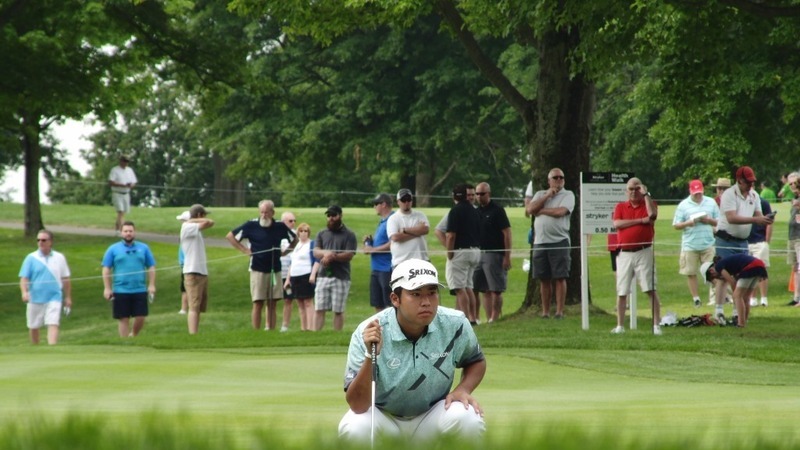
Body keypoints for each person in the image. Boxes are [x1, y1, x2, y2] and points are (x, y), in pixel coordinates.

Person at [338, 259, 486, 443]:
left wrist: (463, 389)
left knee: (468, 416)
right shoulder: (367, 332)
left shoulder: (454, 324)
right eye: (416, 294)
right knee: (354, 426)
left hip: (432, 415)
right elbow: (358, 405)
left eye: (432, 293)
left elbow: (476, 360)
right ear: (395, 299)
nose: (426, 302)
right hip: (384, 418)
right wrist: (371, 355)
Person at [714, 166, 773, 323]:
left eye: (753, 182)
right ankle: (718, 310)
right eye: (748, 182)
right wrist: (755, 220)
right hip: (725, 239)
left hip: (742, 241)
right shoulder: (729, 194)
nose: (751, 186)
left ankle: (736, 313)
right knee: (723, 274)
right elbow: (732, 218)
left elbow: (758, 215)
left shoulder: (754, 195)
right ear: (739, 180)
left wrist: (766, 219)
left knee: (740, 276)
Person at [226, 200, 297, 331]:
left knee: (273, 302)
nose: (264, 215)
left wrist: (285, 252)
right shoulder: (251, 225)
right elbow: (231, 236)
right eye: (262, 212)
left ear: (272, 213)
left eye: (266, 212)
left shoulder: (280, 226)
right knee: (258, 302)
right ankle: (256, 331)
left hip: (275, 268)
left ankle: (270, 329)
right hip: (257, 268)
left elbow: (294, 240)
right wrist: (245, 250)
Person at [611, 177, 662, 335]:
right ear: (626, 191)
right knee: (622, 291)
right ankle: (620, 326)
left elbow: (652, 216)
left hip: (643, 251)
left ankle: (656, 325)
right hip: (625, 253)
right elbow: (617, 223)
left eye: (636, 189)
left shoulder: (648, 203)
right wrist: (640, 220)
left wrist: (646, 195)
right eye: (631, 189)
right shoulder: (620, 206)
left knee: (649, 288)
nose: (633, 192)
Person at [526, 168, 575, 319]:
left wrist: (542, 211)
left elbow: (561, 212)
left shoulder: (568, 195)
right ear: (549, 181)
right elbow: (530, 209)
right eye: (555, 177)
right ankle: (545, 311)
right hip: (540, 242)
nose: (559, 179)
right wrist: (547, 196)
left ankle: (559, 311)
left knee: (560, 277)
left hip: (559, 241)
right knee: (544, 278)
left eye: (561, 177)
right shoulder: (540, 194)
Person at [102, 221, 156, 338]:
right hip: (121, 290)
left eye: (130, 231)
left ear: (134, 232)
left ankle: (134, 335)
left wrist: (151, 285)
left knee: (141, 316)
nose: (128, 233)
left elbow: (151, 267)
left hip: (139, 289)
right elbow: (106, 269)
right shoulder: (113, 249)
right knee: (123, 318)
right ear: (121, 233)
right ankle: (125, 342)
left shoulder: (144, 248)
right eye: (125, 231)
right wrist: (107, 288)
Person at [19, 230, 71, 345]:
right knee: (33, 325)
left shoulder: (59, 257)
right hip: (35, 297)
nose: (40, 242)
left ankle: (52, 348)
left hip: (54, 296)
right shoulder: (31, 258)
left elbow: (65, 278)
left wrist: (68, 297)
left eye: (43, 240)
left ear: (50, 242)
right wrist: (24, 292)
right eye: (38, 240)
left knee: (53, 322)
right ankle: (35, 348)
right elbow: (24, 278)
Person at [672, 179, 719, 307]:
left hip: (708, 243)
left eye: (700, 193)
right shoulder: (683, 205)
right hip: (690, 244)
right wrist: (688, 223)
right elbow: (676, 225)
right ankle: (696, 298)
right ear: (690, 192)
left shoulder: (711, 202)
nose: (698, 196)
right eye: (695, 193)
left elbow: (719, 221)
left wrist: (708, 220)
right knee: (690, 272)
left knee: (712, 271)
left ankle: (718, 297)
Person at [313, 205, 357, 331]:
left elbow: (349, 254)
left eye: (334, 215)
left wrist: (333, 256)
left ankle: (337, 334)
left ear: (340, 216)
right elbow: (316, 251)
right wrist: (327, 254)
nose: (331, 218)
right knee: (319, 308)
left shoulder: (349, 235)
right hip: (322, 276)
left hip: (341, 277)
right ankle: (316, 335)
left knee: (338, 310)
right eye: (329, 216)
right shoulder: (322, 233)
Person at [473, 182, 511, 323]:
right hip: (477, 253)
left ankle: (494, 317)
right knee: (478, 288)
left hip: (494, 253)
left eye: (482, 193)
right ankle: (478, 318)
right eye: (477, 194)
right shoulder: (476, 212)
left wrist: (507, 256)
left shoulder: (497, 210)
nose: (479, 196)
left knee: (495, 289)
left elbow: (507, 233)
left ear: (488, 193)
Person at [445, 183, 482, 324]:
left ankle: (465, 320)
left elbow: (450, 236)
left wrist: (449, 253)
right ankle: (473, 318)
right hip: (475, 251)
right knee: (468, 286)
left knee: (460, 289)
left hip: (460, 251)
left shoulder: (455, 211)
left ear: (454, 196)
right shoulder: (475, 211)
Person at [701, 254, 768, 328]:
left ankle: (741, 324)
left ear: (711, 271)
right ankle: (744, 320)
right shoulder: (727, 265)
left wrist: (735, 296)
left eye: (713, 277)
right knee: (746, 297)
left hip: (750, 267)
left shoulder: (718, 266)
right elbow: (734, 279)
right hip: (759, 265)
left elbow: (732, 282)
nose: (717, 278)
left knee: (737, 296)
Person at [181, 204, 214, 334]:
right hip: (192, 271)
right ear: (200, 215)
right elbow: (210, 222)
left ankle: (195, 332)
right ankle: (192, 334)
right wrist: (192, 220)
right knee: (193, 306)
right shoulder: (187, 227)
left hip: (201, 271)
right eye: (204, 215)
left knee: (199, 306)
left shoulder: (193, 228)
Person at [363, 193, 395, 312]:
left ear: (384, 204)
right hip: (376, 268)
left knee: (389, 304)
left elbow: (393, 243)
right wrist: (369, 243)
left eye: (376, 204)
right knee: (377, 303)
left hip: (386, 268)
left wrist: (373, 250)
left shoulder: (393, 219)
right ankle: (380, 329)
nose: (374, 207)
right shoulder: (383, 221)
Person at [284, 222, 317, 331]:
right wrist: (288, 279)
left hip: (306, 274)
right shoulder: (296, 245)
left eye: (305, 231)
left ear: (308, 233)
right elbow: (291, 263)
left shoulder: (311, 244)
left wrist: (313, 275)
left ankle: (310, 327)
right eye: (301, 231)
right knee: (299, 303)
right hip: (294, 276)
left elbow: (317, 260)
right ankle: (303, 328)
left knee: (308, 302)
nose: (303, 233)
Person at [386, 188, 430, 267]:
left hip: (422, 261)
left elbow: (425, 230)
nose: (406, 202)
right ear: (398, 202)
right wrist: (417, 232)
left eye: (409, 199)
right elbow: (395, 237)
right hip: (401, 262)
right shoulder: (393, 218)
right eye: (403, 200)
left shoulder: (420, 215)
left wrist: (404, 230)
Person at [747, 197, 772, 307]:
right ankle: (752, 298)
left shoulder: (763, 202)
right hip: (746, 241)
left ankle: (763, 298)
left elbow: (769, 222)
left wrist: (766, 241)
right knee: (749, 271)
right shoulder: (741, 202)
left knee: (761, 270)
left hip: (760, 241)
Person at [108, 155, 137, 233]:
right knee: (120, 211)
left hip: (126, 193)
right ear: (120, 161)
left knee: (123, 212)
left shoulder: (129, 170)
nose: (125, 163)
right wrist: (122, 185)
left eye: (127, 161)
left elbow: (134, 181)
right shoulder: (115, 170)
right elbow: (111, 182)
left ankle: (118, 229)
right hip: (117, 193)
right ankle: (121, 230)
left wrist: (131, 185)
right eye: (124, 161)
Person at [279, 211, 297, 332]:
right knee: (271, 300)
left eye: (294, 220)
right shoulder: (277, 234)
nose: (293, 223)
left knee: (288, 299)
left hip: (289, 274)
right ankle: (268, 325)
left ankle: (285, 325)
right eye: (290, 221)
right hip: (277, 272)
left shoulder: (296, 235)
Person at [786, 173, 800, 306]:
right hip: (792, 236)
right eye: (789, 183)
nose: (792, 186)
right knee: (795, 267)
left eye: (795, 183)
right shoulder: (795, 199)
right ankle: (796, 297)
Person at [176, 210, 190, 315]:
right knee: (184, 287)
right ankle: (184, 308)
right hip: (184, 263)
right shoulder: (184, 230)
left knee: (186, 287)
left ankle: (185, 309)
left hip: (187, 264)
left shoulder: (187, 231)